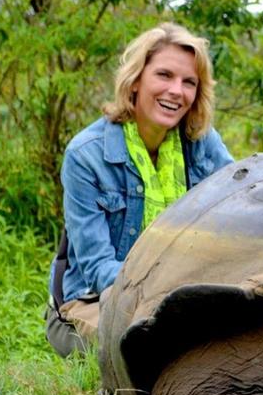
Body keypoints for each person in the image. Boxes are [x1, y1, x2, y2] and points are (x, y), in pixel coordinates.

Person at [45, 23, 234, 357]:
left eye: (189, 82)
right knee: (156, 349)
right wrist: (170, 295)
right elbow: (98, 267)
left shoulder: (202, 143)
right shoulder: (85, 155)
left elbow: (243, 201)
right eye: (164, 75)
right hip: (95, 298)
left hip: (184, 292)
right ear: (135, 81)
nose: (176, 90)